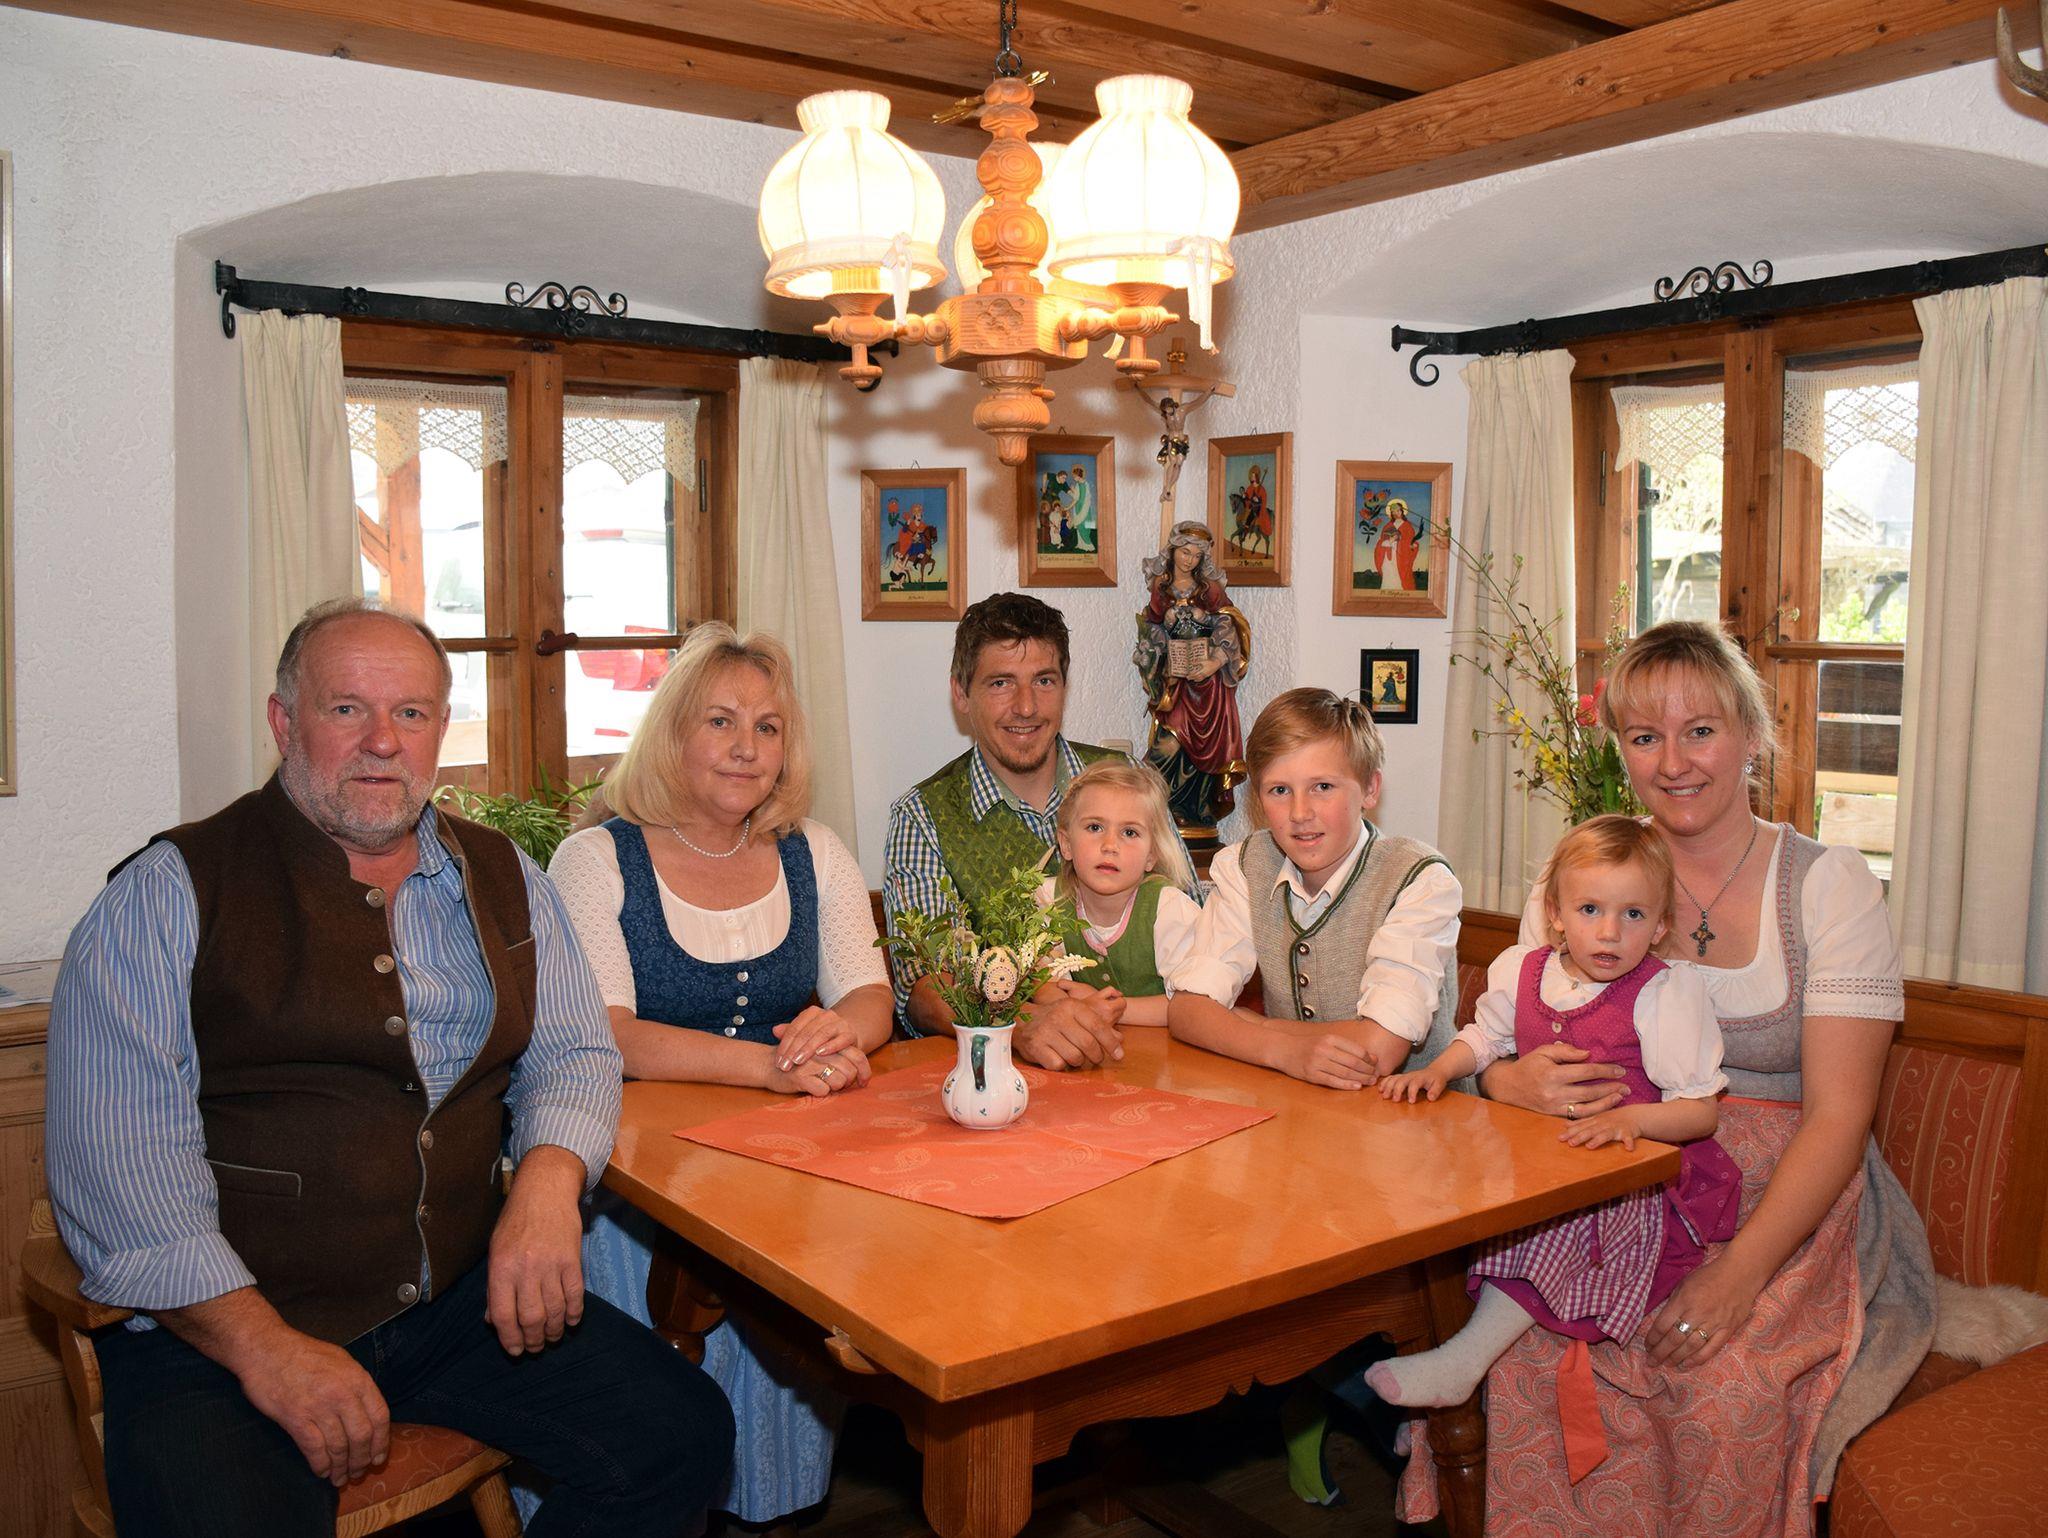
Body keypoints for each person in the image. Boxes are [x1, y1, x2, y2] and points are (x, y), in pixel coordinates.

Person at [43, 599, 732, 1538]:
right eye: (346, 710)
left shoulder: (504, 873)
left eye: (410, 713)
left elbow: (573, 1051)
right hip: (222, 1327)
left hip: (453, 1302)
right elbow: (123, 1178)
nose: (382, 742)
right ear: (283, 721)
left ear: (441, 729)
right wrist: (266, 1348)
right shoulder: (165, 897)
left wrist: (546, 1188)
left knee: (680, 1435)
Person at [1400, 620, 1932, 1537]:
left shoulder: (1827, 884)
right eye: (1646, 736)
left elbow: (1841, 1118)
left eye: (1702, 731)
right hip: (1603, 1185)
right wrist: (1504, 1086)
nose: (1675, 762)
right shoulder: (1585, 876)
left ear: (1751, 735)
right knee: (1522, 1361)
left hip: (1785, 1200)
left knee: (1720, 1386)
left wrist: (1740, 1279)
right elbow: (1501, 1042)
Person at [548, 623, 890, 1528]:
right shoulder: (596, 858)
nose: (747, 747)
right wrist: (770, 1067)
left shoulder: (814, 850)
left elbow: (870, 996)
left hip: (780, 1167)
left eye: (768, 727)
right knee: (642, 1449)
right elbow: (612, 1036)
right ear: (672, 734)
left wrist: (839, 1029)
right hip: (634, 1184)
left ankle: (767, 1508)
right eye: (721, 722)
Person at [1370, 817, 1739, 1446]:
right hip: (1536, 1158)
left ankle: (1458, 1369)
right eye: (1590, 909)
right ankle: (1440, 1406)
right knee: (1436, 1205)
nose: (1609, 931)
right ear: (1556, 914)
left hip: (1622, 1180)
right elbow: (1486, 1038)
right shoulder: (1522, 969)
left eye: (1633, 914)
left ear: (1660, 925)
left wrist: (1629, 1119)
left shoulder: (1665, 993)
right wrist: (1437, 1070)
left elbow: (1701, 1111)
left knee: (1552, 1225)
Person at [883, 592, 1196, 1070]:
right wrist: (1021, 1025)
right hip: (1007, 1074)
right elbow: (924, 988)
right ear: (961, 694)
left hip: (1158, 1061)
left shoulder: (1127, 781)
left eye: (1044, 681)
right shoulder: (922, 816)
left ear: (1065, 687)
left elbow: (1195, 927)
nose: (1026, 707)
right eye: (1001, 683)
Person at [1166, 687, 1463, 1088]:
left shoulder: (1419, 880)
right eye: (1279, 790)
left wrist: (1254, 1026)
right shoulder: (1245, 867)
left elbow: (1380, 1048)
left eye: (1322, 787)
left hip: (1418, 1113)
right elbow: (1187, 1011)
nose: (1300, 813)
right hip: (1297, 1103)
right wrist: (1283, 1051)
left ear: (1370, 789)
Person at [1035, 759, 1202, 1028]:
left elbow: (1195, 1006)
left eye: (1129, 832)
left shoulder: (1170, 911)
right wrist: (1068, 1003)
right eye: (1095, 827)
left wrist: (1109, 1009)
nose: (1110, 845)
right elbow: (1040, 983)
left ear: (1151, 856)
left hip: (1164, 1051)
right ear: (1066, 844)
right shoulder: (1048, 901)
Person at [1135, 521, 1250, 831]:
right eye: (1185, 552)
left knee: (1206, 750)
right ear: (1173, 550)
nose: (1189, 560)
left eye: (1197, 556)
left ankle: (1197, 811)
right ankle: (1161, 807)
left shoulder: (1209, 589)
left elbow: (1230, 625)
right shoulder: (1161, 587)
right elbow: (1150, 629)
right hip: (1176, 683)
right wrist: (1164, 630)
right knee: (1169, 745)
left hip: (1208, 685)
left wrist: (1215, 660)